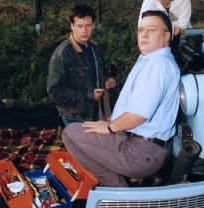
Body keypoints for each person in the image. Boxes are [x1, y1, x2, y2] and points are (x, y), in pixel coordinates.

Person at [62, 10, 180, 187]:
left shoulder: (158, 65)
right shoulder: (151, 59)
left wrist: (109, 128)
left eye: (152, 30)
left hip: (140, 152)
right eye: (141, 30)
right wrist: (108, 123)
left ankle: (119, 191)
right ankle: (123, 186)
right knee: (91, 128)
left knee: (70, 133)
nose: (144, 35)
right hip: (145, 145)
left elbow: (138, 115)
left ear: (167, 35)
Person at [47, 4, 116, 126]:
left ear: (94, 25)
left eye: (88, 26)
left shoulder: (95, 48)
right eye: (79, 26)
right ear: (72, 26)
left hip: (97, 112)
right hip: (75, 118)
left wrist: (107, 80)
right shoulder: (63, 54)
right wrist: (88, 95)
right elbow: (55, 93)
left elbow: (99, 74)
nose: (84, 31)